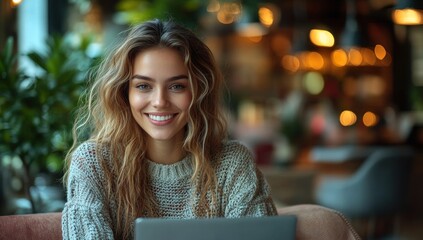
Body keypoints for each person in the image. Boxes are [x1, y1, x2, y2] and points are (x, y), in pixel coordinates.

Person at [62, 19, 277, 239]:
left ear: (198, 90)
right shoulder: (94, 164)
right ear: (124, 92)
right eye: (143, 86)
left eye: (177, 86)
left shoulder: (232, 164)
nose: (160, 101)